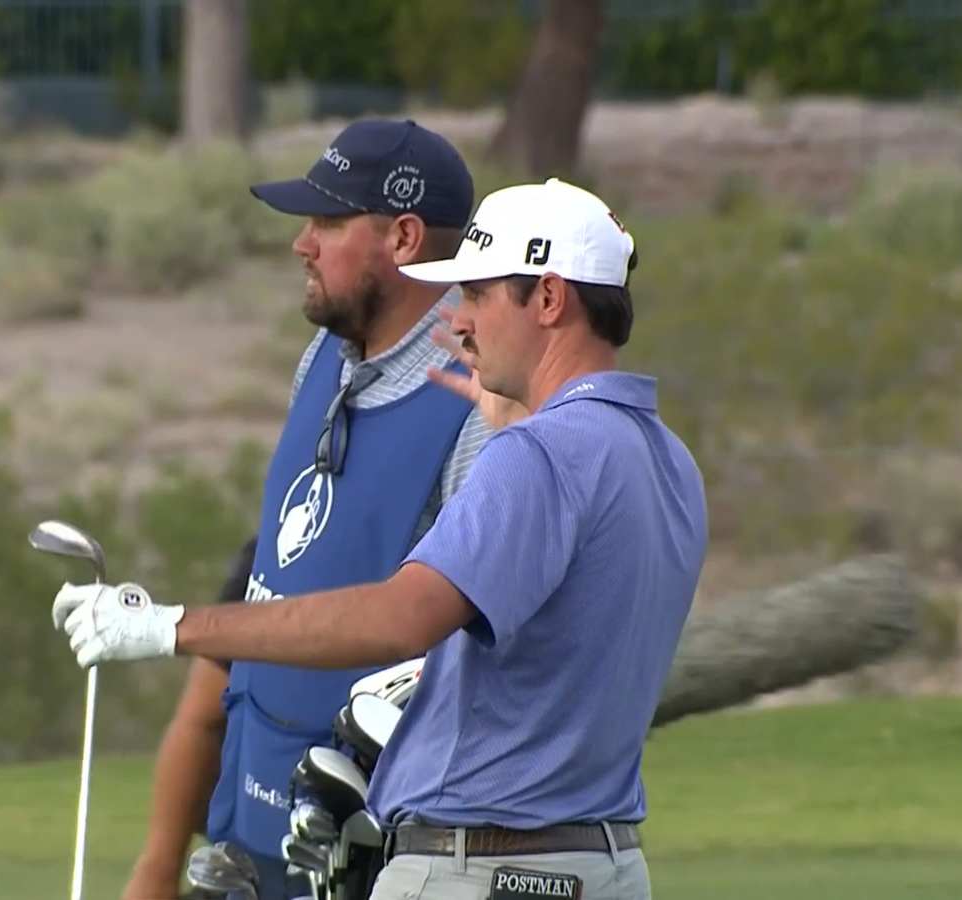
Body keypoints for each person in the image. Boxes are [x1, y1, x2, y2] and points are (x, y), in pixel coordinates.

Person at [53, 177, 708, 900]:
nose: (461, 322)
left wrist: (169, 626)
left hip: (482, 867)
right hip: (606, 866)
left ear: (549, 299)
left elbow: (401, 619)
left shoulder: (537, 458)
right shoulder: (664, 457)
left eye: (479, 295)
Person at [116, 118, 496, 900]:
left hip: (369, 858)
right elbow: (270, 587)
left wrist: (168, 626)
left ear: (404, 237)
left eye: (328, 222)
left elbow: (441, 636)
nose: (302, 244)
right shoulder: (323, 359)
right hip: (248, 849)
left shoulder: (480, 409)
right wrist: (159, 861)